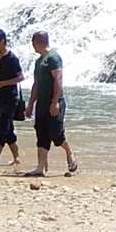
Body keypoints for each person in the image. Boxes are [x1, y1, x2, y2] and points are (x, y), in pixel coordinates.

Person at [25, 30, 77, 177]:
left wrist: (55, 102)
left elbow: (58, 80)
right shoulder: (38, 61)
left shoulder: (54, 58)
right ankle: (40, 168)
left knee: (56, 133)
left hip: (54, 102)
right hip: (41, 103)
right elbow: (36, 84)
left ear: (38, 42)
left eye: (33, 43)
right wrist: (30, 104)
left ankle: (69, 152)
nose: (32, 46)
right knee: (41, 134)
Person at [0, 28, 24, 168]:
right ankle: (17, 158)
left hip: (10, 98)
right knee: (8, 128)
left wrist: (1, 84)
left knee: (2, 127)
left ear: (2, 42)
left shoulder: (12, 58)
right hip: (1, 96)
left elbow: (20, 77)